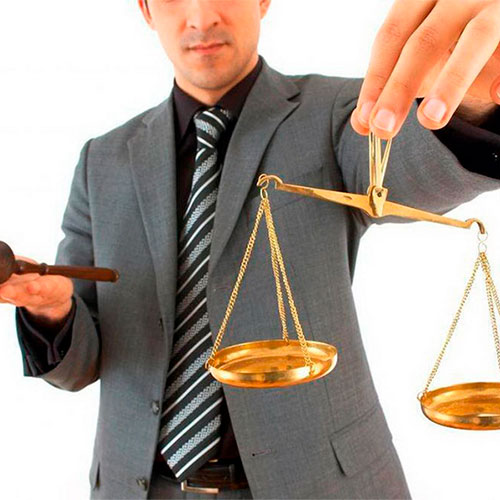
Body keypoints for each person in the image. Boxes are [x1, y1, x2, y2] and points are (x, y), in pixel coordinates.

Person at [2, 0, 500, 498]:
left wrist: (472, 102)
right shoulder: (103, 159)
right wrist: (52, 312)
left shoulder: (338, 113)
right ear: (146, 10)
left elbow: (410, 172)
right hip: (141, 487)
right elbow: (80, 366)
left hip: (318, 485)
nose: (201, 18)